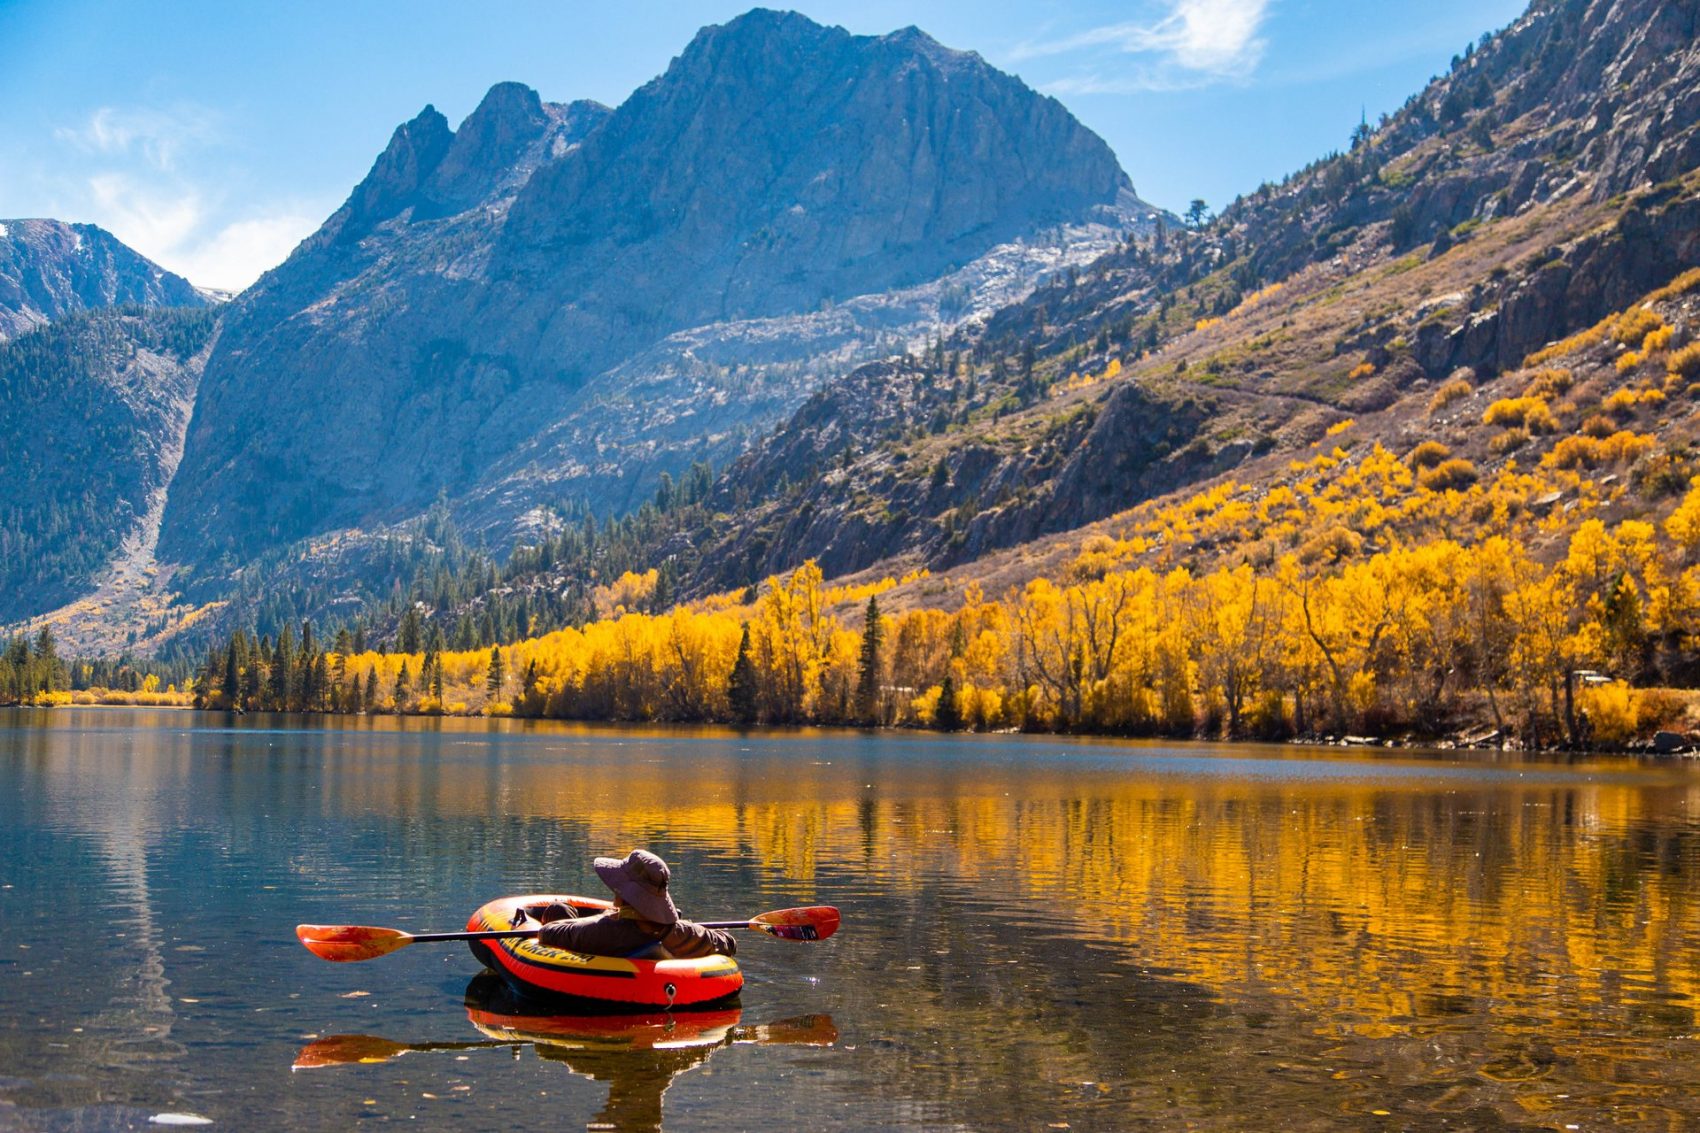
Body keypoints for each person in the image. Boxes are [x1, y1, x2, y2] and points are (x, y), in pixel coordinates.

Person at [526, 849, 736, 960]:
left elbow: (548, 932)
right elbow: (727, 942)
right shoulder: (682, 934)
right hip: (664, 950)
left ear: (621, 895)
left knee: (558, 910)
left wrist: (604, 917)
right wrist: (687, 926)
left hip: (598, 982)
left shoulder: (601, 931)